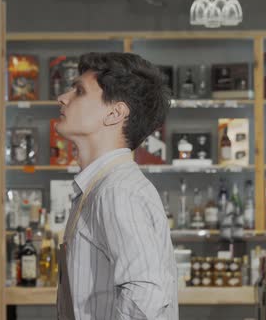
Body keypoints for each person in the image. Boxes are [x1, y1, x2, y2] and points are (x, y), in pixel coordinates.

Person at [55, 52, 178, 320]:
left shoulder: (116, 191)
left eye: (79, 91)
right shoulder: (100, 188)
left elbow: (145, 295)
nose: (63, 98)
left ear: (115, 113)